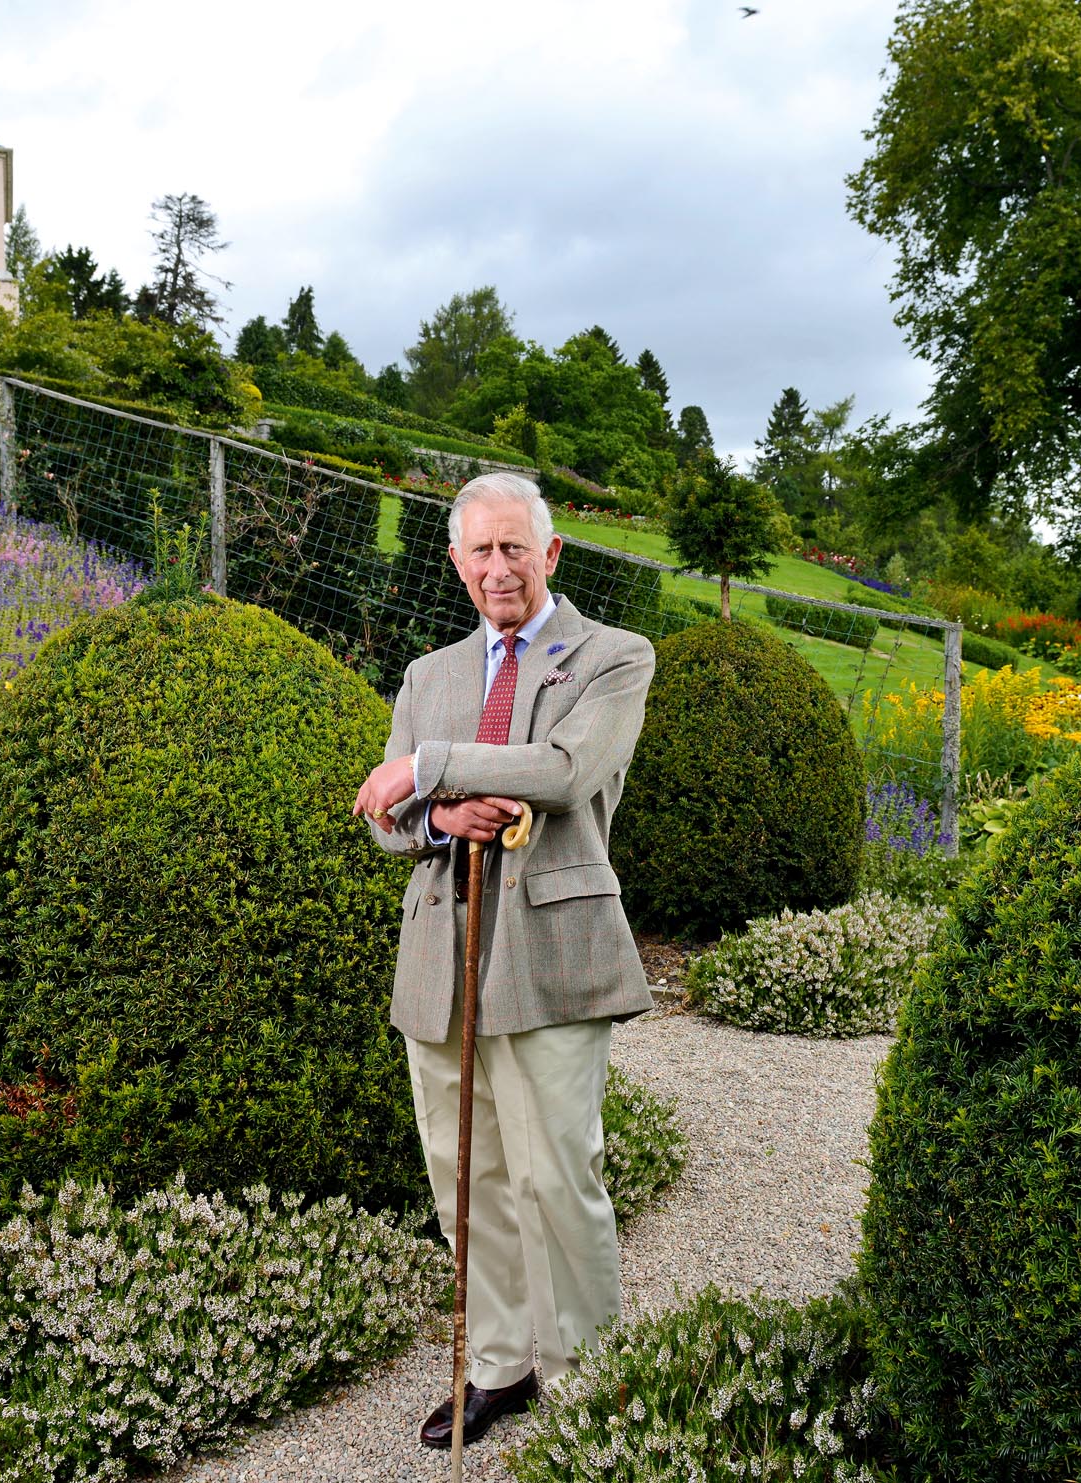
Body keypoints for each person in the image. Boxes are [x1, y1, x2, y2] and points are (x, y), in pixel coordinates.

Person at [351, 471, 655, 1449]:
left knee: (555, 1177)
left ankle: (585, 1382)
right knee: (463, 1178)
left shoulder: (611, 657)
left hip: (550, 954)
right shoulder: (427, 677)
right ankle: (499, 1364)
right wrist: (438, 815)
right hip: (439, 955)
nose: (497, 569)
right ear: (455, 562)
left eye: (514, 548)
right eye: (478, 551)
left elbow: (566, 772)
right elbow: (386, 824)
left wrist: (432, 769)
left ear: (550, 554)